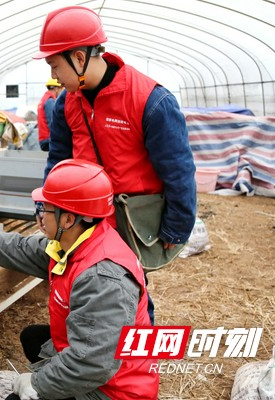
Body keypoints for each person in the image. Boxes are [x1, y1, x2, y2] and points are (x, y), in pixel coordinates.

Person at [0, 159, 159, 400]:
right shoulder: (79, 241)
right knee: (33, 338)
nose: (38, 215)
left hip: (113, 391)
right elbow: (19, 248)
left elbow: (93, 363)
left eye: (45, 208)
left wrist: (39, 383)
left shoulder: (103, 278)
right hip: (102, 365)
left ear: (68, 220)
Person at [33, 6, 198, 323]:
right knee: (85, 289)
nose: (53, 76)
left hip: (129, 220)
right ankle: (90, 358)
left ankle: (136, 365)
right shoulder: (67, 103)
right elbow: (59, 163)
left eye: (55, 66)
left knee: (130, 290)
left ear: (79, 58)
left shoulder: (150, 100)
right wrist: (49, 208)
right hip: (85, 218)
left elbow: (179, 171)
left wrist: (177, 226)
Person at [37, 78, 63, 151]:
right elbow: (53, 123)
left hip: (44, 139)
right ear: (57, 89)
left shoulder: (44, 99)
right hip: (49, 140)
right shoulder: (50, 101)